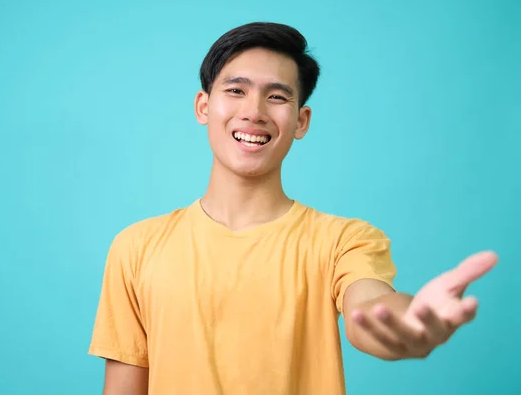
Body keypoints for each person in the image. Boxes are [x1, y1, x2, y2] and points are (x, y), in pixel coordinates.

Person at [88, 22, 498, 394]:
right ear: (203, 106)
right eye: (235, 90)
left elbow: (370, 304)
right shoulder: (136, 248)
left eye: (277, 96)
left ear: (301, 121)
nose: (254, 111)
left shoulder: (344, 241)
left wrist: (406, 321)